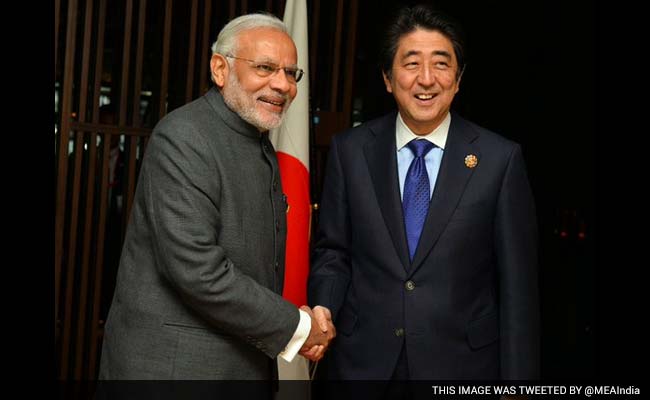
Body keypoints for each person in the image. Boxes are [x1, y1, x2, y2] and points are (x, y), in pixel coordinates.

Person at [308, 4, 539, 382]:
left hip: (462, 368)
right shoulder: (350, 151)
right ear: (387, 77)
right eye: (411, 63)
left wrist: (518, 382)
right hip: (361, 365)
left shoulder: (500, 159)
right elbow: (333, 251)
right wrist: (324, 306)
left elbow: (518, 284)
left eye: (442, 64)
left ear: (459, 78)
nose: (426, 79)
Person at [98, 13, 334, 381]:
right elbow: (198, 270)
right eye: (265, 68)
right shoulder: (183, 137)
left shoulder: (258, 142)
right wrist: (297, 327)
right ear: (220, 69)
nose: (282, 84)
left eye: (291, 73)